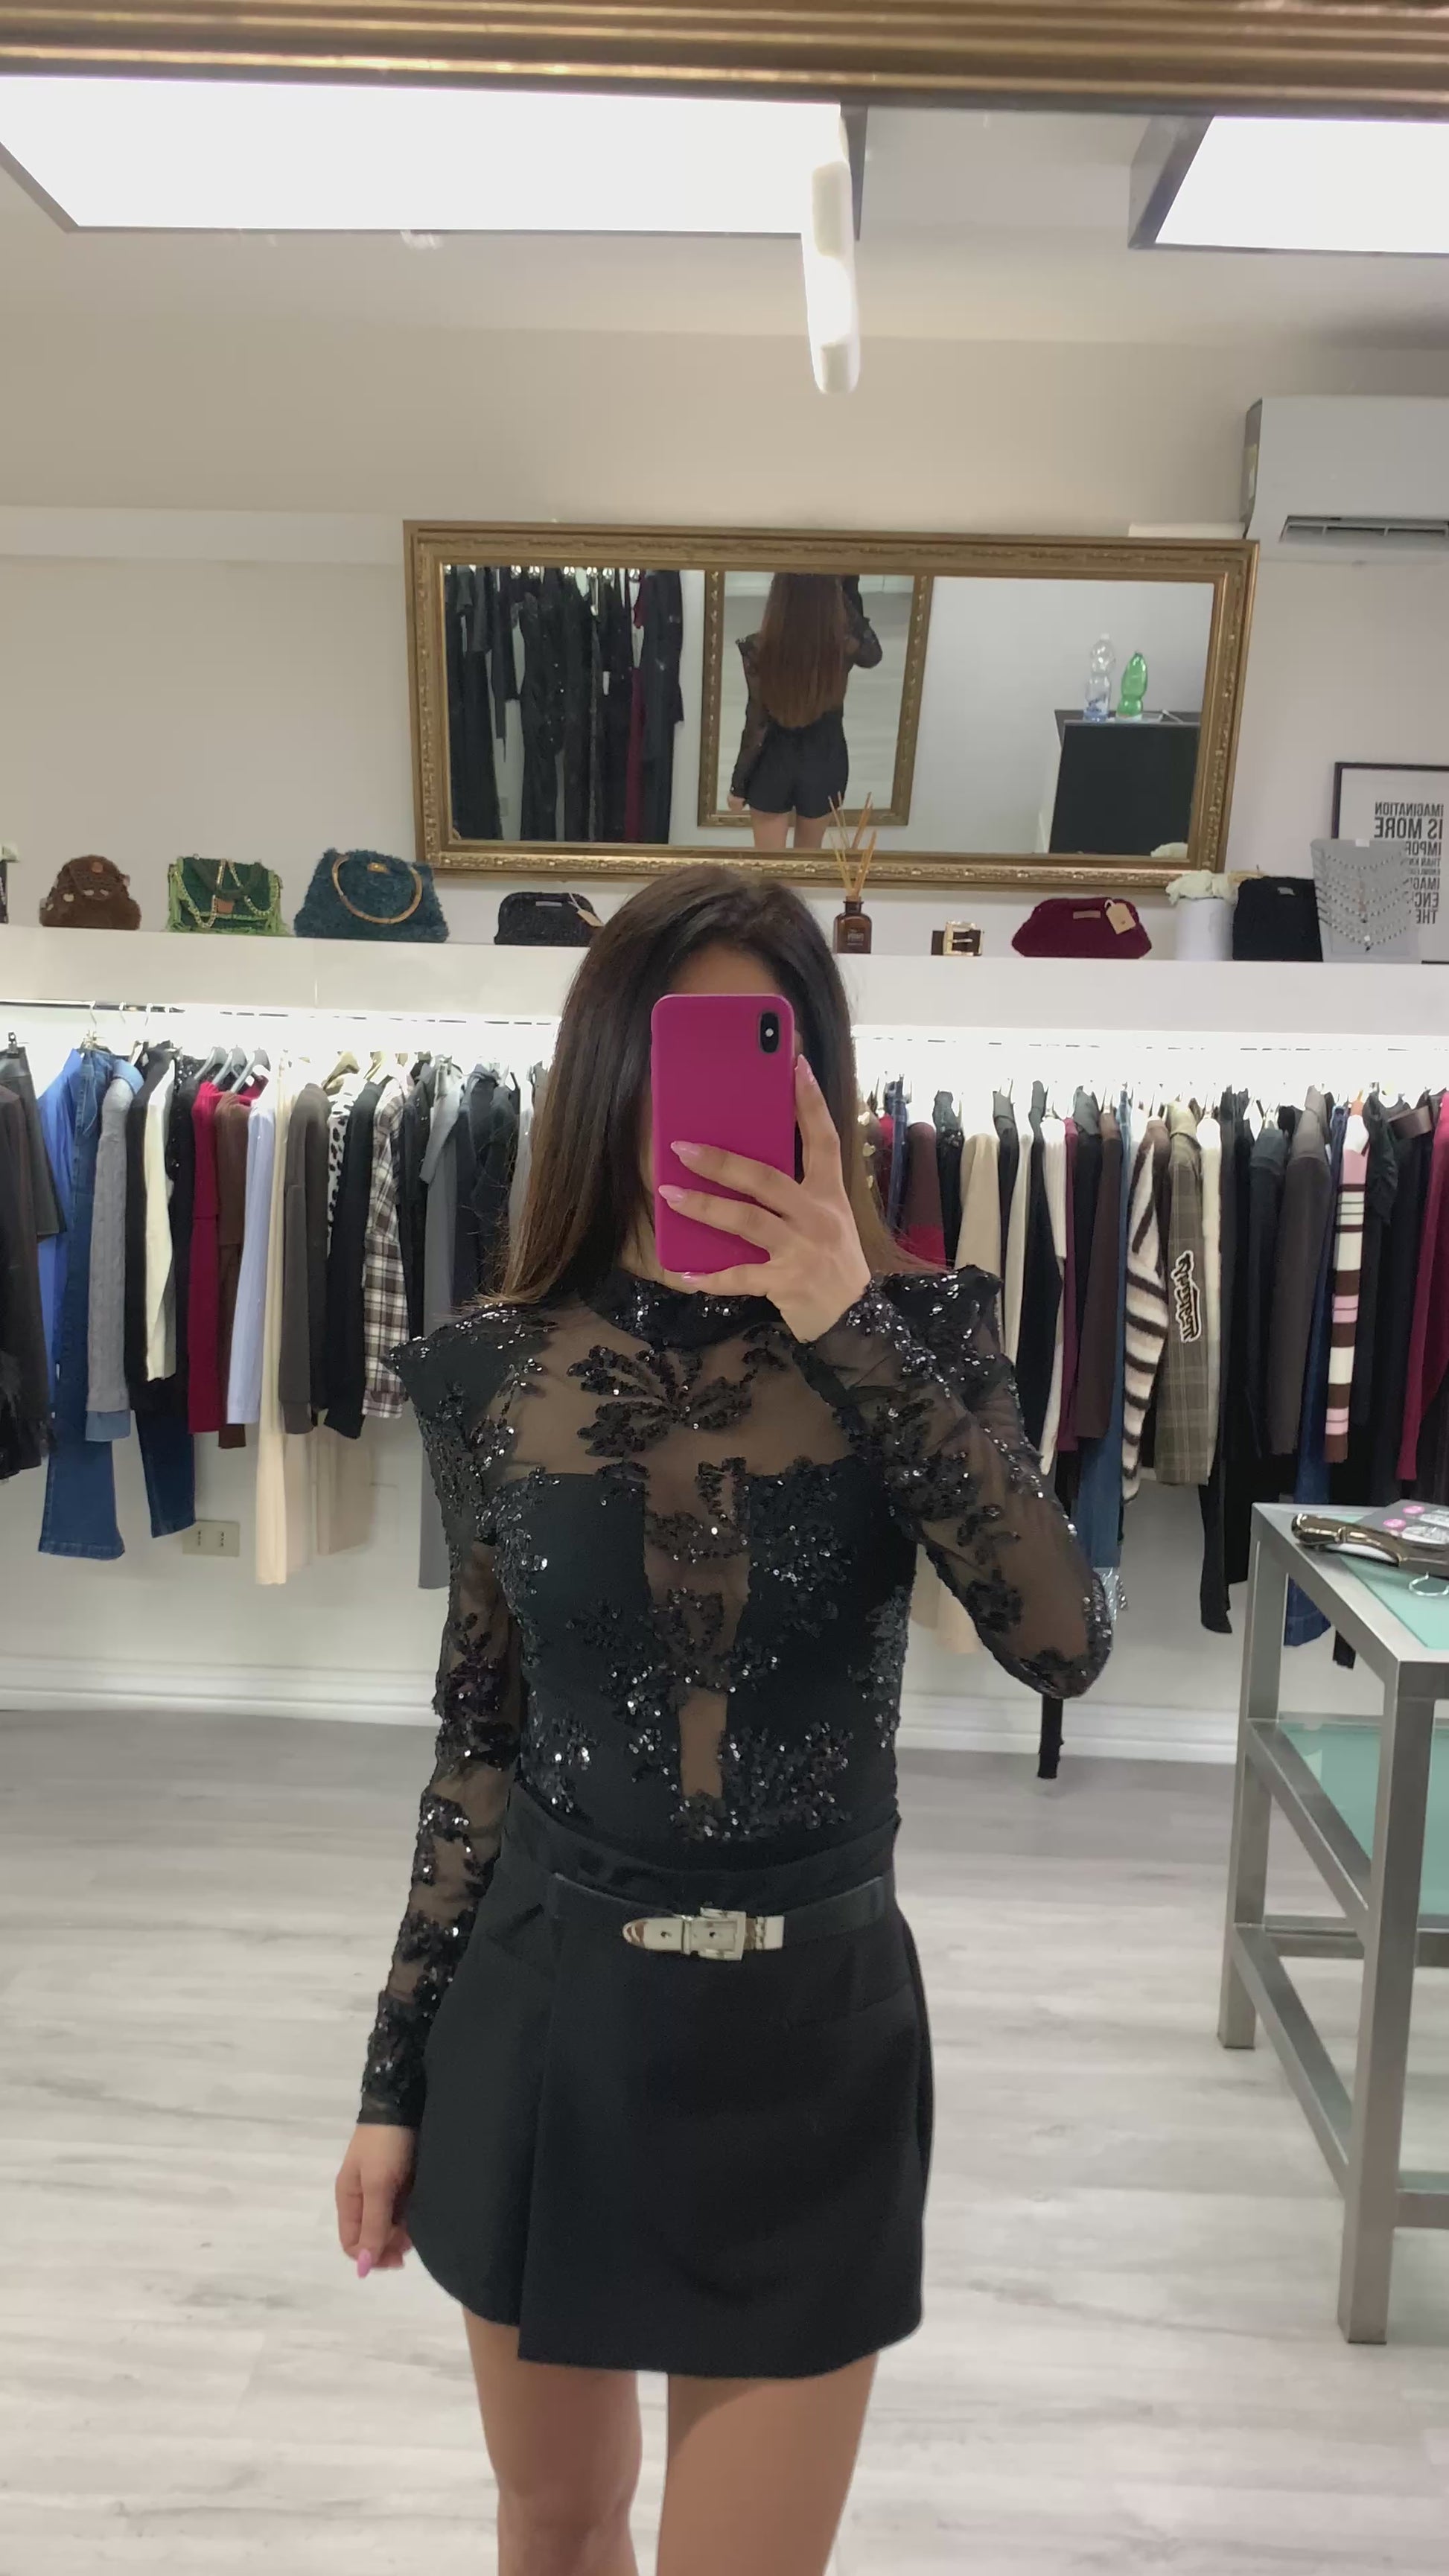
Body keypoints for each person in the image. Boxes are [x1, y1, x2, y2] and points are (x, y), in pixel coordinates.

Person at [334, 867, 1109, 2576]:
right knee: (554, 2523)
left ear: (819, 1084)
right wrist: (393, 2079)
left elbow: (1062, 1641)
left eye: (766, 1050)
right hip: (545, 2013)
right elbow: (478, 1741)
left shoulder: (924, 1336)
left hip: (805, 2040)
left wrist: (847, 1318)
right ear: (605, 1071)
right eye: (670, 1048)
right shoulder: (489, 1368)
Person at [728, 573, 882, 852]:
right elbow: (872, 654)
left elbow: (757, 721)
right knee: (808, 868)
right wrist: (844, 589)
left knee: (768, 870)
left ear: (779, 596)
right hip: (824, 759)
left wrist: (739, 784)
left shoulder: (759, 648)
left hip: (772, 763)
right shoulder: (842, 647)